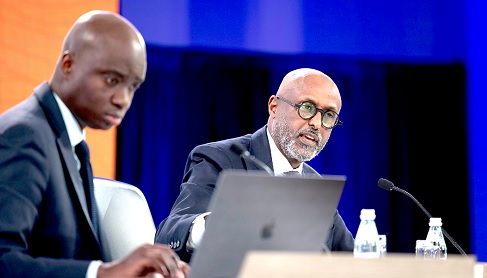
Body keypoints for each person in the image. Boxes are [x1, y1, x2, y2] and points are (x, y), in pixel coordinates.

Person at [0, 10, 189, 278]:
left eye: (133, 86)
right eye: (112, 80)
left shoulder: (70, 142)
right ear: (68, 65)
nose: (123, 99)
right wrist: (103, 273)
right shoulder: (24, 136)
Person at [154, 67, 355, 262]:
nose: (317, 124)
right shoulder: (221, 159)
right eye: (307, 108)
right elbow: (169, 233)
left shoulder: (314, 185)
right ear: (274, 107)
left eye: (329, 115)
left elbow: (354, 259)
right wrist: (224, 223)